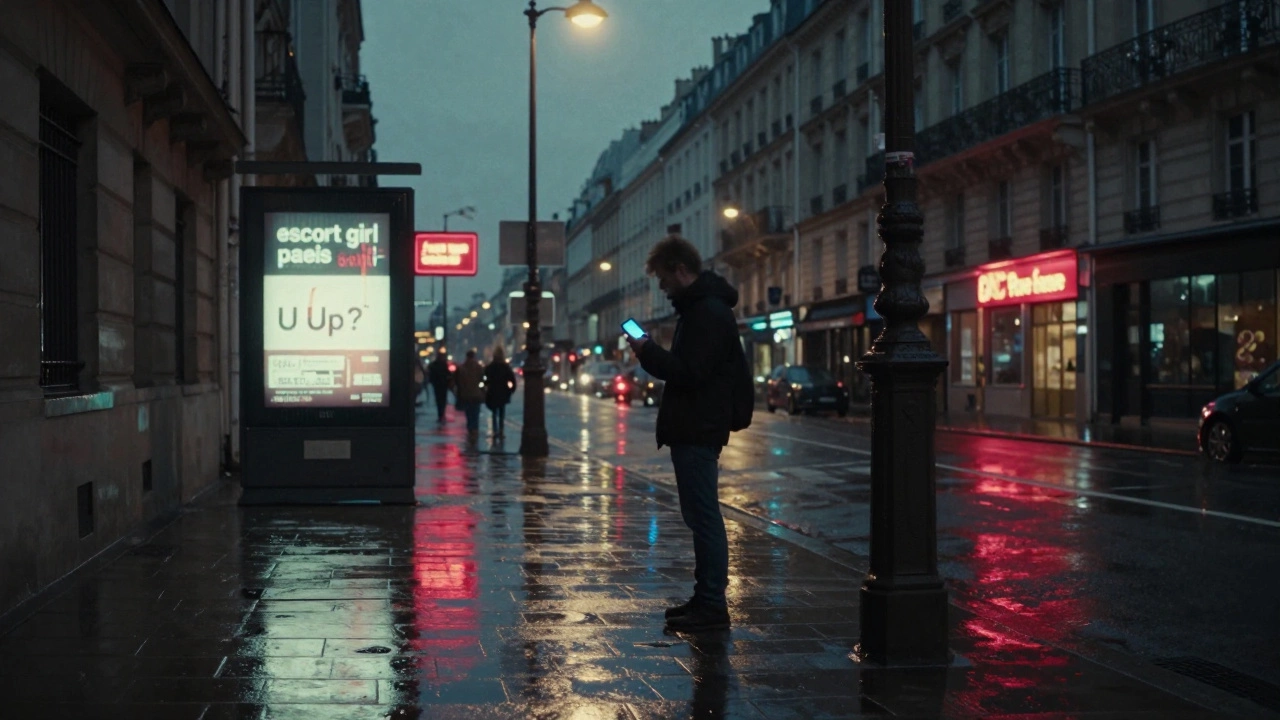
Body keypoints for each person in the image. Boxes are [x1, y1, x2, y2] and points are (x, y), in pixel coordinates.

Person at [626, 234, 739, 632]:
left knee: (704, 516)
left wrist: (647, 353)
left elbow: (691, 373)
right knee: (699, 515)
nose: (661, 286)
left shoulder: (706, 312)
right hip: (696, 424)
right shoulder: (701, 309)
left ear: (680, 269)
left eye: (662, 277)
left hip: (698, 426)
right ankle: (704, 598)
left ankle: (711, 604)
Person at [484, 347, 517, 439]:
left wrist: (486, 387)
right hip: (503, 392)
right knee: (502, 413)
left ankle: (495, 431)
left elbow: (485, 379)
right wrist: (511, 390)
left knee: (494, 413)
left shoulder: (490, 367)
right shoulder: (505, 367)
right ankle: (501, 431)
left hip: (493, 392)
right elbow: (512, 379)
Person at [453, 349, 485, 440]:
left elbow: (456, 381)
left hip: (465, 394)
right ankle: (475, 429)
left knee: (468, 413)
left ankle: (470, 428)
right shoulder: (478, 367)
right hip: (476, 394)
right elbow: (482, 380)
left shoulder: (461, 368)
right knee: (475, 412)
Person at [427, 348, 453, 423]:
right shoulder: (443, 364)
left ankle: (440, 414)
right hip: (443, 385)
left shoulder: (434, 365)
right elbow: (448, 374)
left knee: (439, 400)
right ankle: (442, 414)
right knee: (442, 400)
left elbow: (431, 374)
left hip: (437, 385)